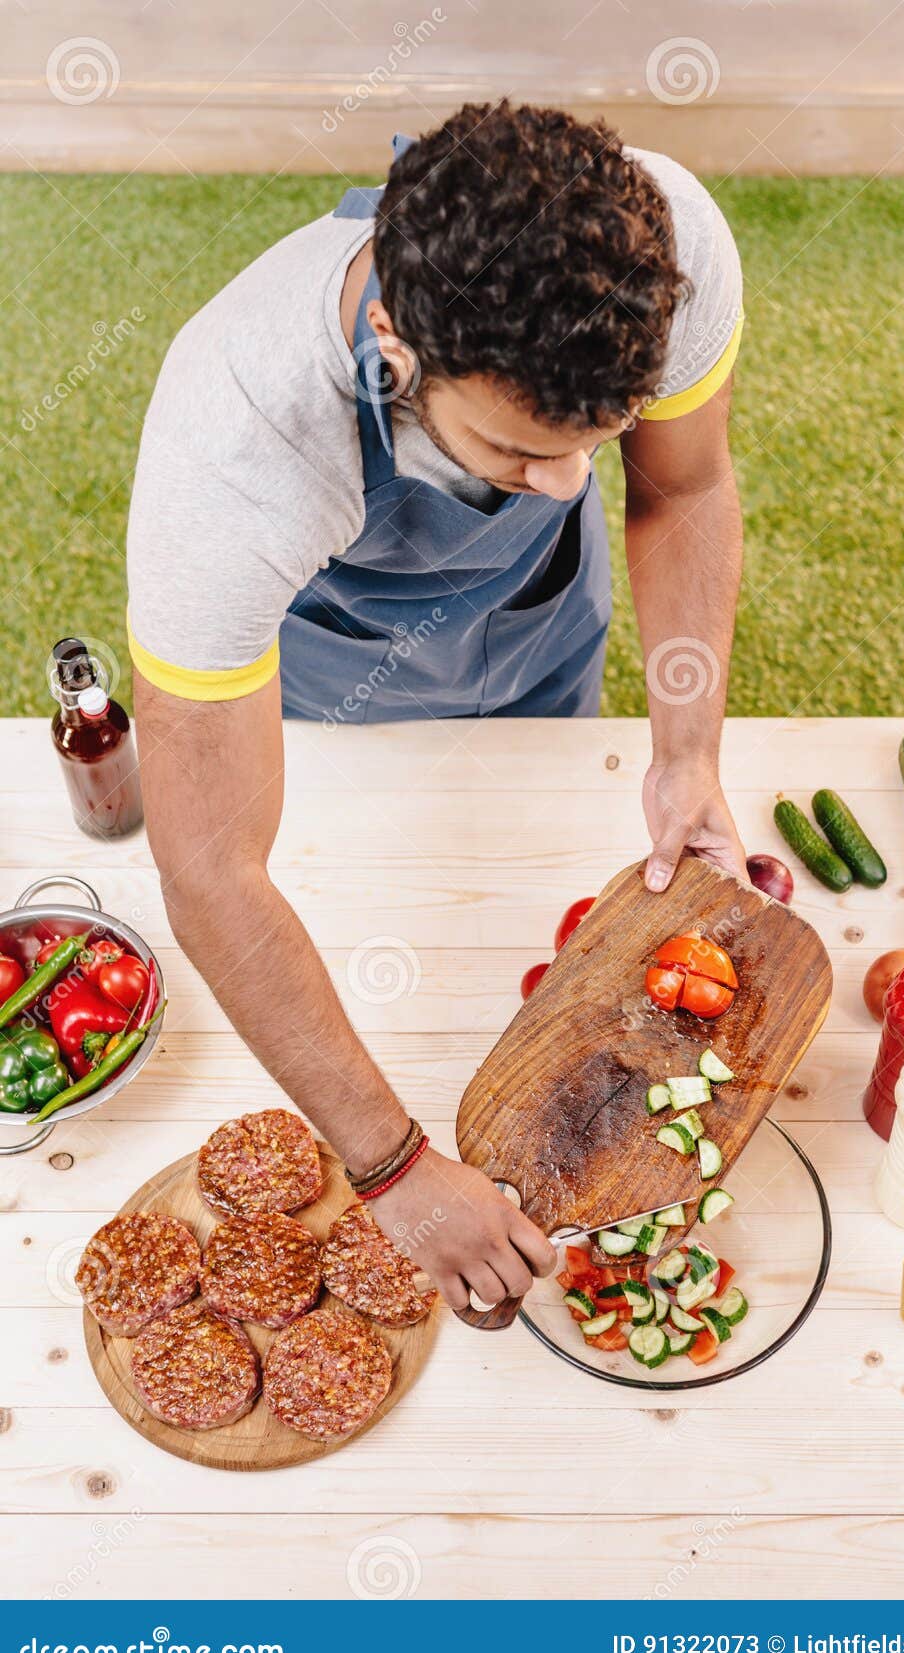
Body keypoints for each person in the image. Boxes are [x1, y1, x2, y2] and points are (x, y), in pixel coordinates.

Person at [127, 100, 746, 1311]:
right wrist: (394, 1168)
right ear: (397, 350)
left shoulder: (665, 249)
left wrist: (686, 756)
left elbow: (683, 492)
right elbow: (211, 870)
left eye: (594, 439)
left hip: (542, 626)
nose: (568, 482)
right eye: (518, 452)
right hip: (333, 667)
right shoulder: (238, 446)